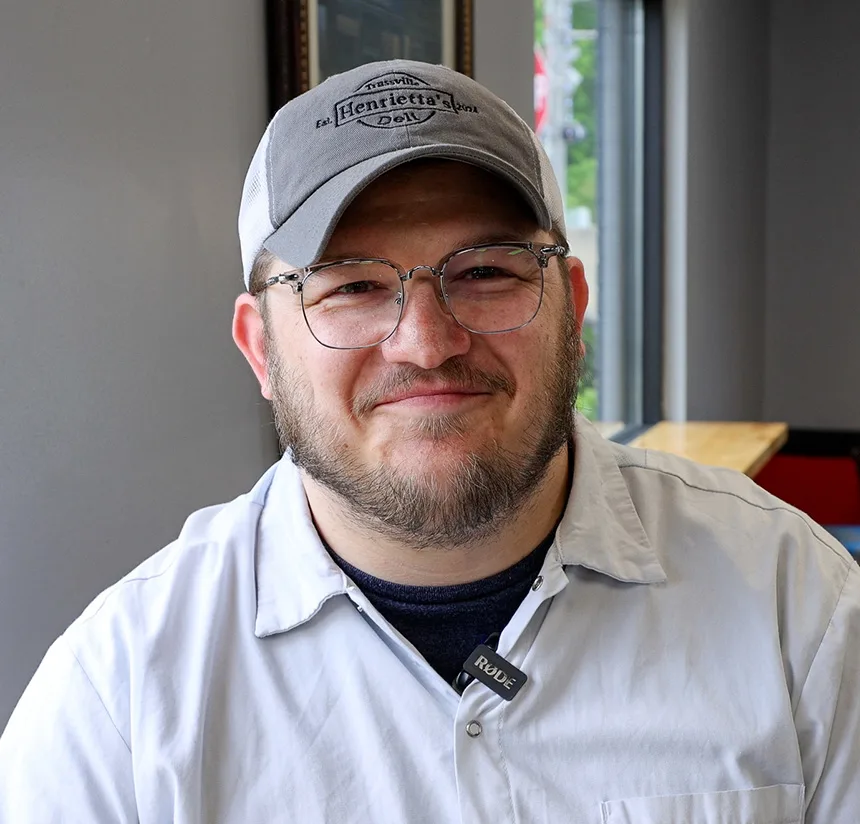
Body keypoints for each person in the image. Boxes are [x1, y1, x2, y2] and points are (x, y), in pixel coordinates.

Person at [0, 59, 858, 822]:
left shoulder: (799, 610)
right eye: (352, 286)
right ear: (261, 348)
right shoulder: (117, 706)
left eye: (485, 271)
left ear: (575, 308)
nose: (426, 341)